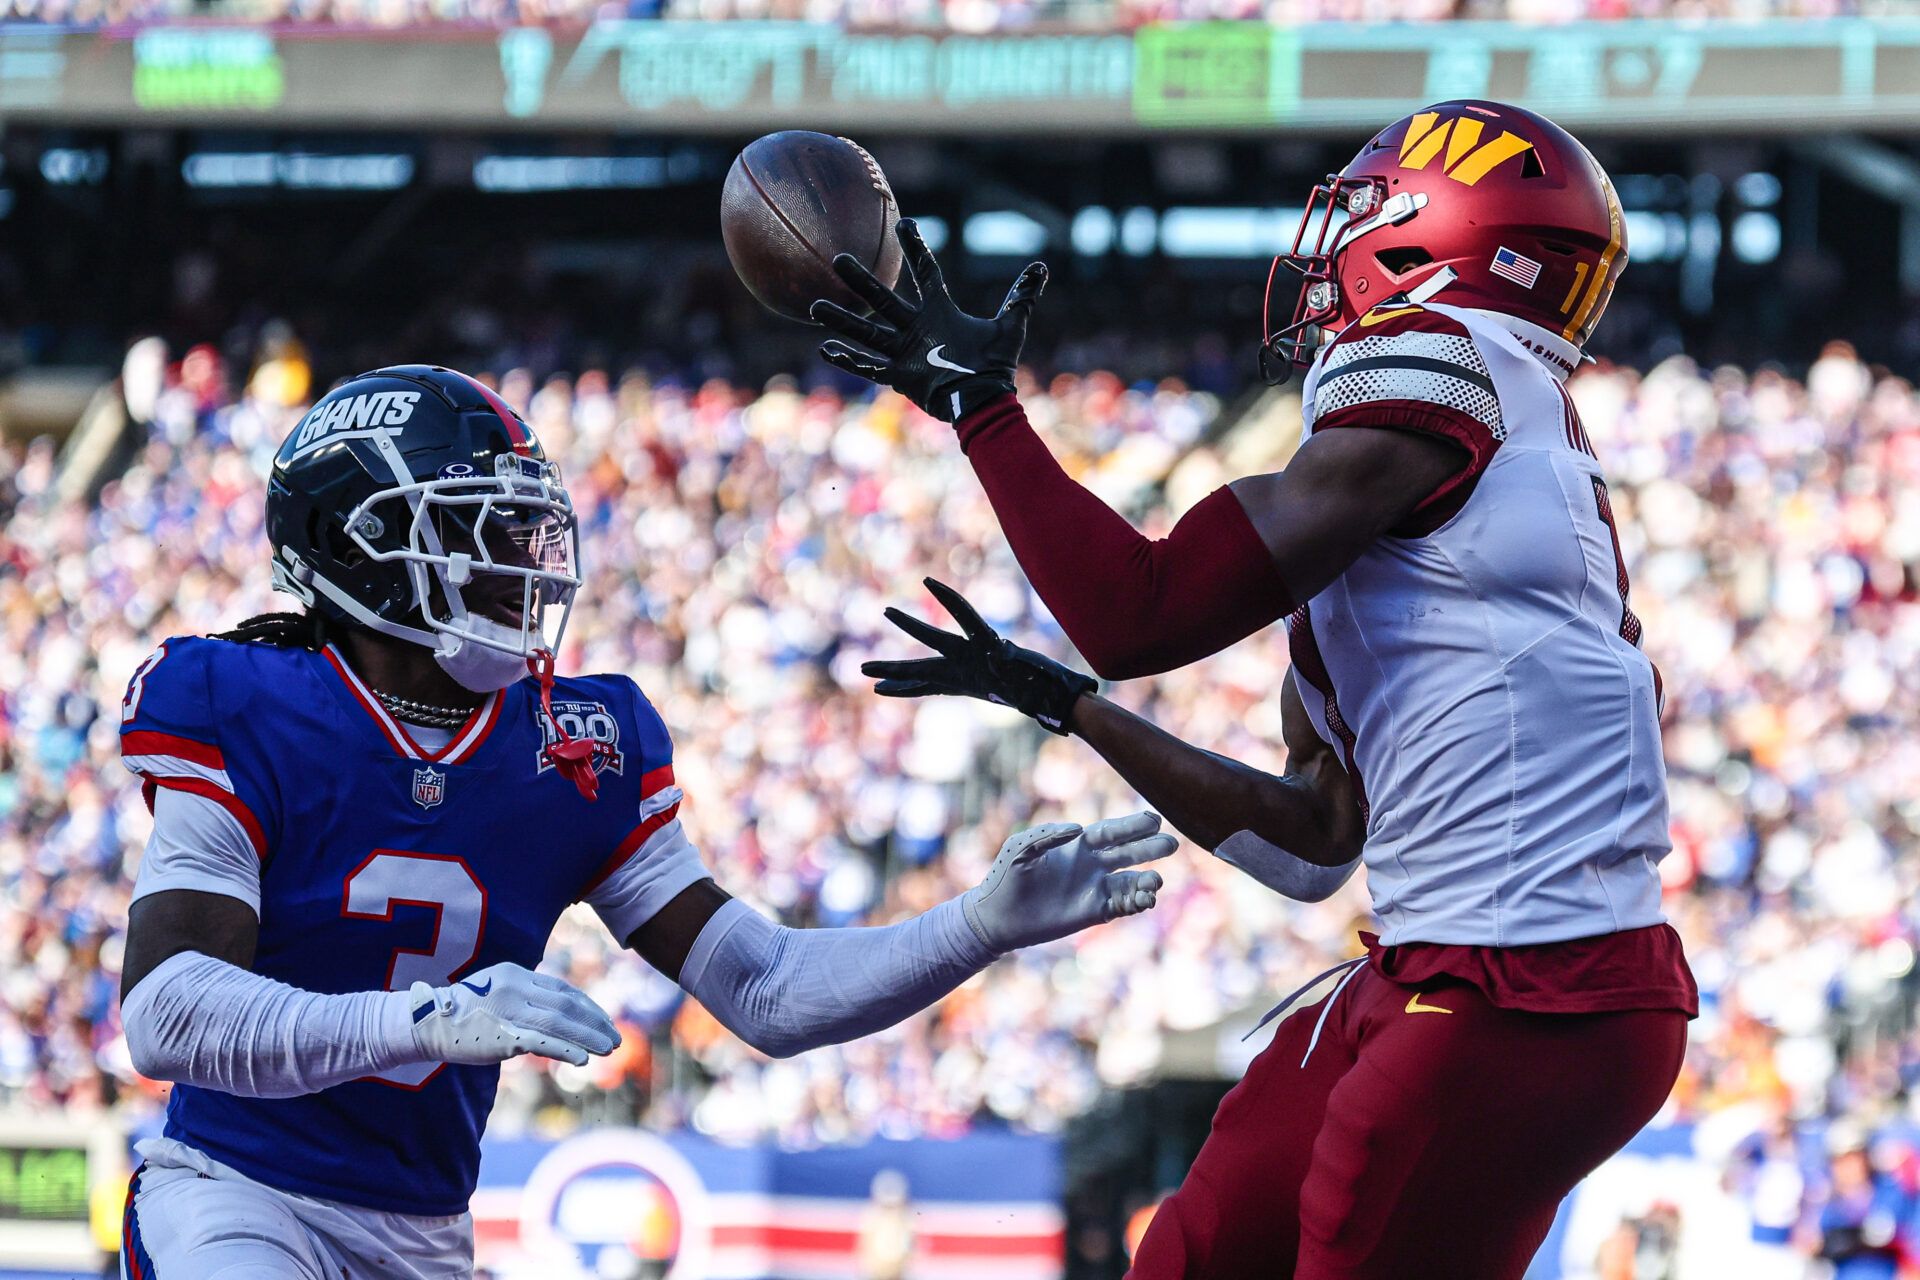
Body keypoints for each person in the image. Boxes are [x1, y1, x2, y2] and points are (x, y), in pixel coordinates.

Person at [814, 100, 1697, 1279]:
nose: (1325, 249)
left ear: (1435, 238)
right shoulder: (1455, 503)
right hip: (1446, 969)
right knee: (1195, 1249)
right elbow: (1317, 843)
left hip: (1526, 990)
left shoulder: (1448, 361)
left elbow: (1139, 611)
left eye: (1360, 212)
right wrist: (1067, 704)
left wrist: (983, 409)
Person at [114, 364, 1175, 1278]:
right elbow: (166, 1015)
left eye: (527, 529)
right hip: (237, 1191)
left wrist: (976, 924)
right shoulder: (241, 699)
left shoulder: (579, 741)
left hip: (424, 1226)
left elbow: (765, 989)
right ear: (364, 546)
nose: (522, 563)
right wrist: (427, 1020)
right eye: (478, 530)